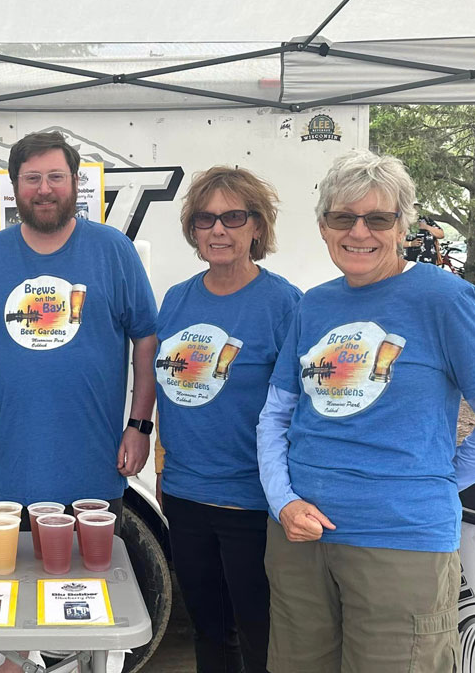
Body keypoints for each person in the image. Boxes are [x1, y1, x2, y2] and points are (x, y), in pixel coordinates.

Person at [257, 150, 475, 672]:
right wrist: (283, 501)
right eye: (343, 217)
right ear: (324, 227)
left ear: (403, 226)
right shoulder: (314, 304)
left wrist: (437, 482)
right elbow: (276, 415)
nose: (359, 232)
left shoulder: (444, 298)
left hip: (401, 543)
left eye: (378, 219)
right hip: (299, 539)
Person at [0, 130, 157, 520]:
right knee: (11, 562)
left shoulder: (114, 250)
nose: (44, 189)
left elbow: (147, 339)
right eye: (32, 178)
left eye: (56, 177)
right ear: (15, 187)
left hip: (94, 470)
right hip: (6, 470)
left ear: (75, 182)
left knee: (95, 563)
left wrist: (140, 426)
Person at [155, 167, 300, 673]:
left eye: (233, 217)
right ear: (193, 229)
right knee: (209, 633)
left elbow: (300, 408)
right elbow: (167, 389)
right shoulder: (176, 298)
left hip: (253, 501)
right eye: (205, 218)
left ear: (257, 226)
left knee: (261, 637)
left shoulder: (284, 303)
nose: (218, 229)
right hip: (185, 496)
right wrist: (161, 463)